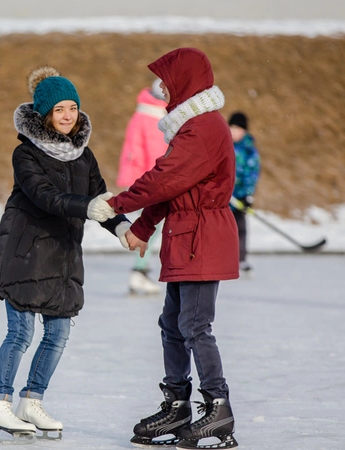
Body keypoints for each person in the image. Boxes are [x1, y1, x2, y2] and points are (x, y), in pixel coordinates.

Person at [0, 66, 130, 441]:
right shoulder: (26, 154)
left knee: (59, 333)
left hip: (62, 257)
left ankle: (31, 401)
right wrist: (88, 208)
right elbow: (45, 197)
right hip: (24, 253)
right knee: (20, 332)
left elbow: (100, 198)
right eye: (59, 109)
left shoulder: (84, 156)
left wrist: (123, 227)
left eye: (73, 108)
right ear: (45, 114)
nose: (67, 116)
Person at [106, 48, 240, 449]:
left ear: (184, 81)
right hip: (187, 236)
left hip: (202, 237)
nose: (162, 87)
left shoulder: (202, 129)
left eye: (166, 80)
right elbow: (172, 189)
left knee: (195, 327)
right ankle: (178, 404)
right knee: (172, 325)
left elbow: (164, 179)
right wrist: (143, 226)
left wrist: (116, 204)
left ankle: (218, 406)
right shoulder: (190, 126)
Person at [116, 78, 169, 295]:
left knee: (151, 224)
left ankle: (140, 270)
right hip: (149, 180)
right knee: (151, 224)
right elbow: (157, 155)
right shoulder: (153, 116)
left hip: (143, 178)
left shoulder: (143, 112)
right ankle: (139, 271)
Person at [227, 112, 261, 275]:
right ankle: (222, 258)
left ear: (245, 131)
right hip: (222, 196)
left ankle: (241, 259)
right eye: (232, 127)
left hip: (239, 196)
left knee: (240, 228)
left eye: (238, 129)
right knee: (221, 228)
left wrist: (247, 195)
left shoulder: (249, 150)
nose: (234, 131)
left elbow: (251, 175)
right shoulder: (222, 144)